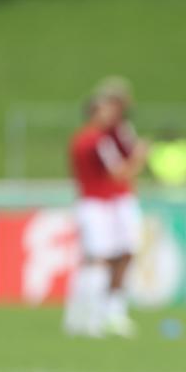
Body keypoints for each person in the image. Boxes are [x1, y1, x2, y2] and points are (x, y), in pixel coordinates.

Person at [64, 94, 148, 337]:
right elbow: (120, 172)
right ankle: (95, 317)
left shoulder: (80, 138)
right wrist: (140, 155)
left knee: (101, 257)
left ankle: (84, 315)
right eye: (105, 111)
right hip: (100, 204)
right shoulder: (98, 140)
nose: (111, 115)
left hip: (92, 202)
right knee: (101, 258)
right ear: (94, 113)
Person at [96, 76, 145, 336]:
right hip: (109, 201)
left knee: (125, 252)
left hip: (120, 198)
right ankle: (105, 309)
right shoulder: (102, 134)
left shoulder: (122, 129)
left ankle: (113, 308)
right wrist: (139, 156)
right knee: (108, 254)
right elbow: (124, 169)